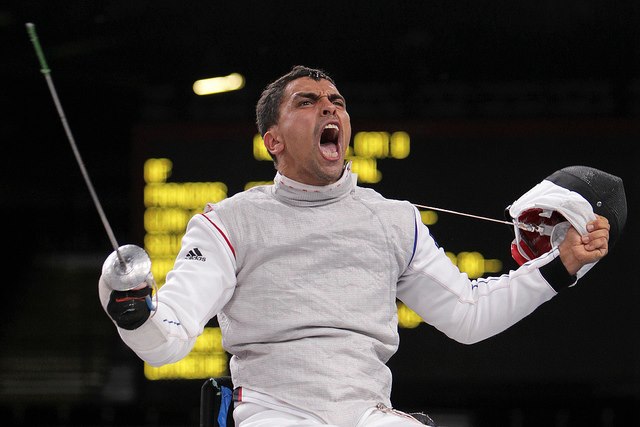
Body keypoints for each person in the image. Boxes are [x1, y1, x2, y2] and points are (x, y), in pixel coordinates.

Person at [99, 65, 611, 427]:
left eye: (336, 102)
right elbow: (168, 342)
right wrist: (132, 311)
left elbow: (469, 316)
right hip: (276, 414)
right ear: (272, 141)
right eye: (308, 102)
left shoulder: (393, 221)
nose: (330, 108)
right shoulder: (227, 224)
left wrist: (559, 265)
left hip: (369, 414)